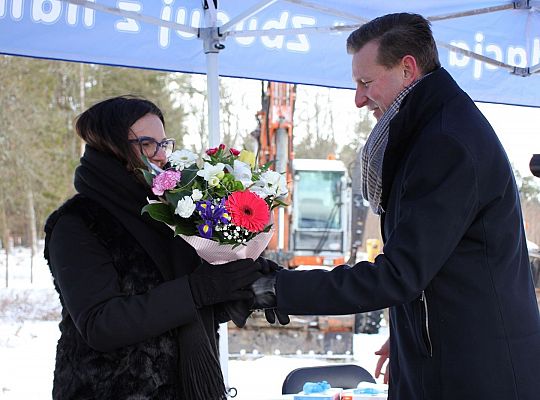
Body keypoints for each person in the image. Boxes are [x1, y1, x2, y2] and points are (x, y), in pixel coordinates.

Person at [252, 13, 540, 400]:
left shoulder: (446, 143)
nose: (358, 99)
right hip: (448, 356)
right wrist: (408, 334)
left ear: (407, 69)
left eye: (366, 82)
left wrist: (277, 288)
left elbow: (399, 273)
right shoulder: (427, 132)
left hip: (477, 372)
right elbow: (436, 268)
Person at [43, 95, 262, 399]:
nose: (161, 156)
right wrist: (197, 290)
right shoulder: (77, 222)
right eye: (147, 144)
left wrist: (237, 286)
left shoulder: (166, 213)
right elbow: (100, 323)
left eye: (164, 144)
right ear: (112, 148)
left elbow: (185, 307)